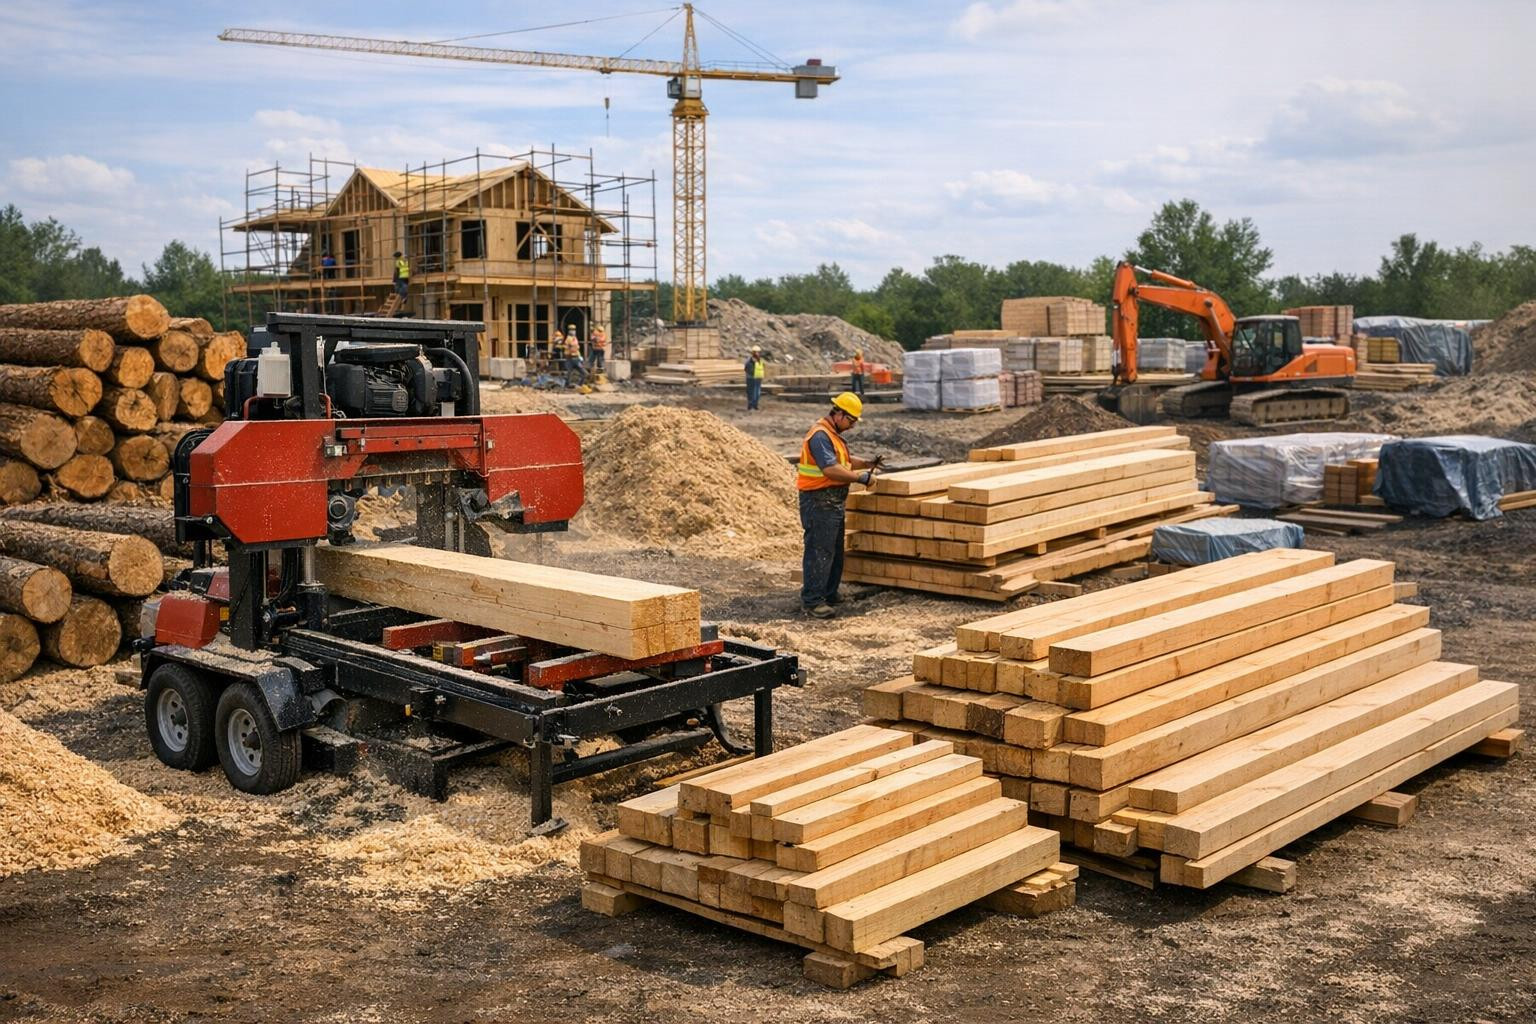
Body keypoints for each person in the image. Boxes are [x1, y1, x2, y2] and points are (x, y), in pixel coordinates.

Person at [797, 392, 883, 618]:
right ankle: (813, 602)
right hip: (818, 501)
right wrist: (860, 478)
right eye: (851, 420)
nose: (852, 426)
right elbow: (830, 469)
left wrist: (866, 463)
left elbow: (841, 461)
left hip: (831, 501)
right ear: (839, 414)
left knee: (833, 551)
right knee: (819, 551)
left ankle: (829, 593)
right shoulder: (820, 435)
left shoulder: (832, 434)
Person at [744, 345, 766, 411]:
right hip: (751, 378)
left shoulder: (760, 361)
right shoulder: (750, 361)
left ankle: (755, 405)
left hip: (758, 378)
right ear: (753, 353)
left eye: (758, 352)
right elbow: (747, 369)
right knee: (751, 392)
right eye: (756, 352)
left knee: (757, 393)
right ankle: (751, 405)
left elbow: (762, 368)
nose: (757, 354)